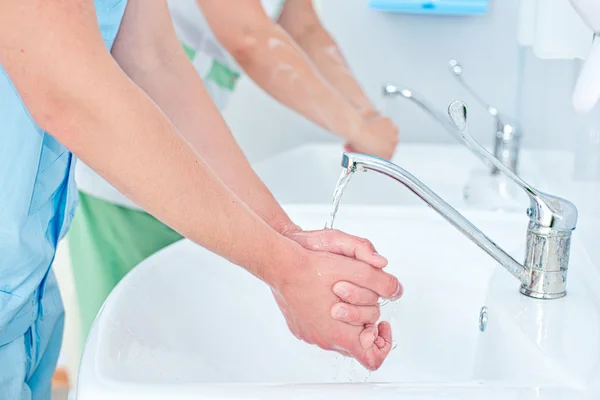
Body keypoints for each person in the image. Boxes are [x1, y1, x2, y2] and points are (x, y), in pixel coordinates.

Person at [0, 1, 401, 398]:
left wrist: (287, 239)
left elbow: (152, 60)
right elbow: (67, 88)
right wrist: (287, 268)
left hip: (26, 286)